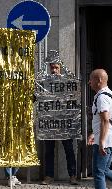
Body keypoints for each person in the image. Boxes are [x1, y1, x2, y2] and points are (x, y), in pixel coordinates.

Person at [41, 50, 78, 185]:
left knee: (69, 149)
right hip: (49, 122)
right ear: (49, 68)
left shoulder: (67, 82)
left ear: (60, 68)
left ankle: (73, 175)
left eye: (56, 68)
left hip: (64, 122)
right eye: (52, 68)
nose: (54, 70)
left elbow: (73, 98)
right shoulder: (44, 83)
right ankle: (49, 176)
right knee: (49, 151)